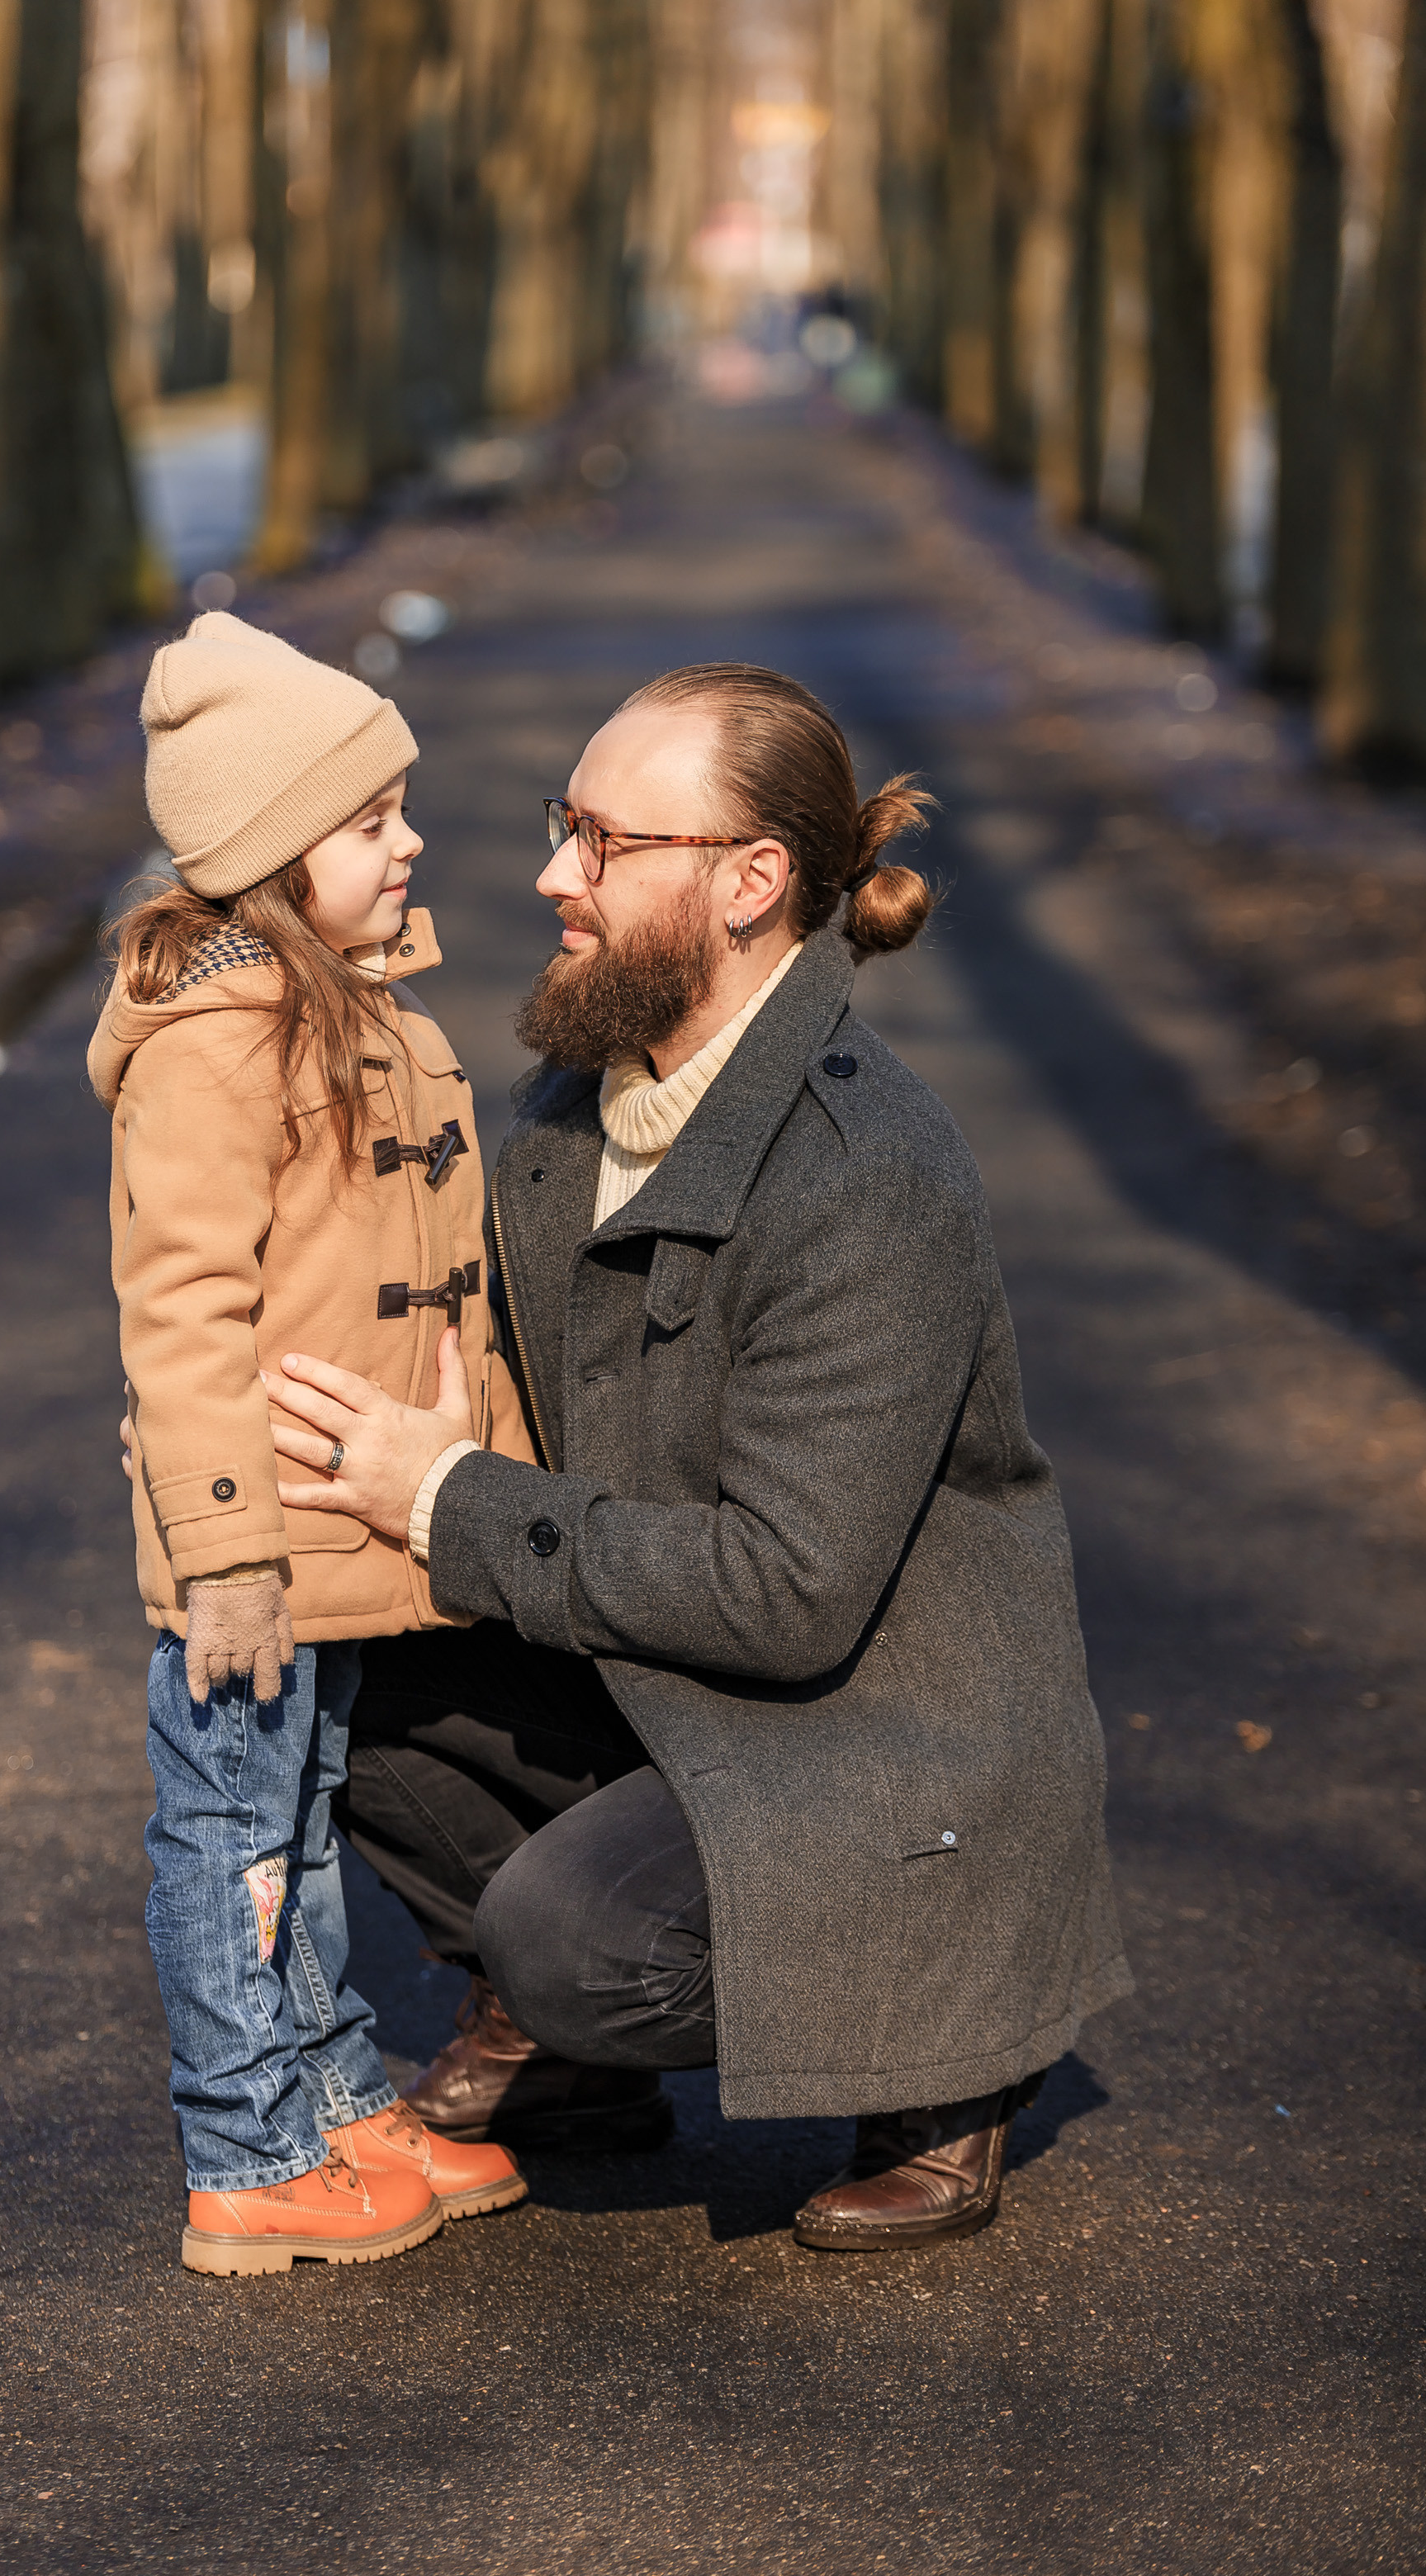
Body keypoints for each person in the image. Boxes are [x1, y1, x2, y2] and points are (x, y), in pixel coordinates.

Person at [263, 660, 1133, 2253]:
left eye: (604, 844)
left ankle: (948, 2059)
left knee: (576, 1935)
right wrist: (230, 1415)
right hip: (669, 1676)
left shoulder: (869, 1173)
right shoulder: (563, 1118)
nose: (549, 877)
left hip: (887, 1729)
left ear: (751, 884)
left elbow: (791, 1595)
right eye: (560, 828)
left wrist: (455, 1499)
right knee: (315, 1636)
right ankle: (572, 2057)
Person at [91, 610, 532, 2276]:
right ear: (276, 851)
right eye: (370, 820)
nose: (409, 840)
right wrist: (224, 1556)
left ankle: (331, 2089)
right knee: (229, 1833)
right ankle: (247, 2147)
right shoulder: (221, 1043)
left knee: (304, 1810)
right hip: (256, 1551)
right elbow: (182, 1308)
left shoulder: (357, 1012)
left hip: (344, 1532)